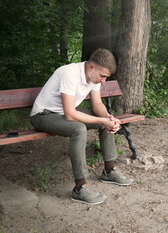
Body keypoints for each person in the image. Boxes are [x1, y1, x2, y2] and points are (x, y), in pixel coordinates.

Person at [30, 48, 133, 205]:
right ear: (91, 67)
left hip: (63, 113)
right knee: (78, 129)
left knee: (104, 120)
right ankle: (80, 187)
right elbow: (70, 114)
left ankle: (109, 171)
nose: (103, 80)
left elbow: (97, 104)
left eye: (106, 77)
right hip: (43, 115)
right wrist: (101, 120)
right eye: (102, 76)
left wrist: (107, 118)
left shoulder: (93, 78)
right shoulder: (69, 73)